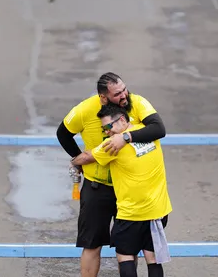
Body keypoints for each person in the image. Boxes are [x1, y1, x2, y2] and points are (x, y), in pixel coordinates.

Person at [56, 72, 166, 277]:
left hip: (129, 190)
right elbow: (63, 134)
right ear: (104, 97)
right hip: (98, 187)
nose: (125, 96)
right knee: (92, 244)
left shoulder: (137, 102)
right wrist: (77, 158)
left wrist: (126, 137)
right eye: (118, 94)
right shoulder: (85, 109)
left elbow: (159, 128)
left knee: (128, 248)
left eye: (125, 89)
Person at [72, 105, 172, 277]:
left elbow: (88, 157)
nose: (107, 133)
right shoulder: (148, 132)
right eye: (104, 129)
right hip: (158, 210)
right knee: (152, 257)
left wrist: (74, 162)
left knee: (125, 257)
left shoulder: (113, 145)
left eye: (109, 127)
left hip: (131, 214)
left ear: (123, 120)